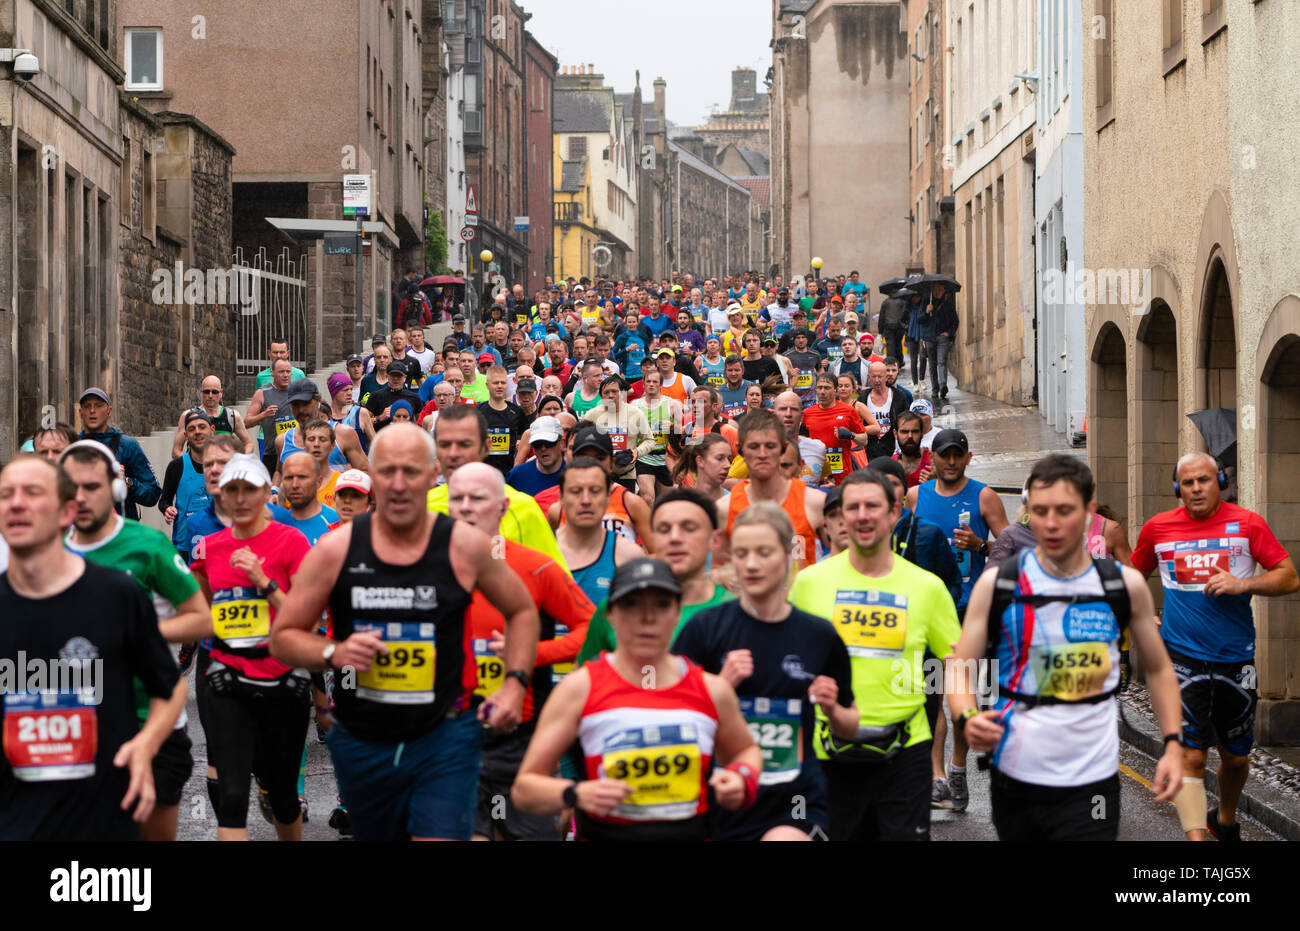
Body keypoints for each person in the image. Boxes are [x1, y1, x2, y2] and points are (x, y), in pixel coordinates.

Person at [269, 425, 541, 841]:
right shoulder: (336, 549)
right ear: (371, 475)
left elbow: (522, 609)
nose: (398, 485)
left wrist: (515, 684)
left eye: (411, 472)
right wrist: (334, 653)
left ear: (433, 474)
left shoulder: (462, 546)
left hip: (445, 735)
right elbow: (285, 635)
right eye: (388, 471)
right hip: (364, 738)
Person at [952, 455, 1186, 840]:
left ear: (1090, 508)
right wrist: (966, 717)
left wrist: (1174, 744)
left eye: (1064, 510)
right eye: (1040, 511)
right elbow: (961, 666)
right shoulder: (1000, 585)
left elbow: (1160, 670)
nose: (1051, 523)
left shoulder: (1121, 585)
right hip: (1016, 774)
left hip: (1092, 779)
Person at [0, 455, 186, 841]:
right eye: (6, 495)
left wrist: (144, 746)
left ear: (67, 511)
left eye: (33, 493)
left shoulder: (117, 594)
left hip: (103, 816)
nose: (16, 503)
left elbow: (169, 689)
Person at [512, 557, 762, 840]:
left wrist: (742, 777)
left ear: (678, 613)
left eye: (661, 605)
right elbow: (524, 790)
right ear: (611, 615)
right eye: (632, 605)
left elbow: (746, 752)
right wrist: (576, 793)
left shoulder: (712, 689)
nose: (647, 618)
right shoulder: (578, 689)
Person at [1131, 452, 1299, 841]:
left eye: (1204, 480)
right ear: (1177, 488)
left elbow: (1289, 578)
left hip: (1234, 659)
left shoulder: (1248, 524)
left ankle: (1224, 819)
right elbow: (1131, 576)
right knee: (1191, 754)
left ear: (1219, 482)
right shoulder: (1157, 528)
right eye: (1187, 482)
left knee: (1236, 757)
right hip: (1181, 658)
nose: (1196, 489)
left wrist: (1244, 584)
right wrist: (1141, 615)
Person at [789, 470, 961, 841]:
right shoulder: (808, 584)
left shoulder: (926, 588)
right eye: (852, 507)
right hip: (829, 750)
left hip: (906, 748)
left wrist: (969, 714)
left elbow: (956, 663)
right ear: (840, 518)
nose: (862, 515)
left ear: (893, 513)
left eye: (873, 506)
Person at [675, 503, 857, 841]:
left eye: (764, 552)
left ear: (788, 554)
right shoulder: (705, 629)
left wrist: (832, 709)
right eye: (741, 554)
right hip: (721, 794)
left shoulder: (818, 635)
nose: (752, 564)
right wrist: (721, 686)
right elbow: (668, 716)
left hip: (794, 800)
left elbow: (850, 725)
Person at [60, 442, 209, 842]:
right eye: (70, 487)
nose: (80, 497)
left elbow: (201, 620)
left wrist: (138, 630)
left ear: (117, 488)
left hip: (152, 719)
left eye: (92, 486)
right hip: (76, 726)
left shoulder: (147, 545)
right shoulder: (49, 551)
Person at [446, 463, 595, 841]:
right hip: (447, 738)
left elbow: (592, 629)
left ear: (500, 508)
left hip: (519, 740)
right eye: (456, 498)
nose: (465, 507)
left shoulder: (534, 566)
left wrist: (532, 654)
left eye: (476, 499)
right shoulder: (425, 566)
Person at [188, 454, 313, 841]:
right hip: (228, 678)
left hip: (283, 679)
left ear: (265, 494)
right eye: (231, 490)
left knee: (283, 798)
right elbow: (201, 611)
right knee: (231, 798)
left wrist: (264, 581)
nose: (240, 499)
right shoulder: (210, 547)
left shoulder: (289, 541)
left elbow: (306, 617)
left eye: (249, 490)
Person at [904, 428, 1009, 811]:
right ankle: (937, 777)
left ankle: (958, 767)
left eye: (957, 455)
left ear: (967, 457)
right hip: (929, 613)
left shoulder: (984, 496)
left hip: (970, 614)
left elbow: (1010, 549)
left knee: (961, 698)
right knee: (932, 696)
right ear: (932, 458)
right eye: (944, 455)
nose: (950, 462)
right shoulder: (916, 497)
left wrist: (981, 545)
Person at [576, 488, 733, 667]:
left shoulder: (735, 613)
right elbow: (582, 685)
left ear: (715, 540)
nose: (675, 538)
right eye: (664, 529)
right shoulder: (615, 607)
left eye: (689, 528)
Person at [428, 405, 569, 569]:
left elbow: (555, 580)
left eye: (464, 444)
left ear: (487, 446)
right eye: (445, 445)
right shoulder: (424, 508)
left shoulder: (523, 510)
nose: (453, 454)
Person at [718, 411, 824, 571]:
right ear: (740, 450)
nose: (762, 454)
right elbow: (719, 569)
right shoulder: (725, 508)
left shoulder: (815, 502)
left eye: (770, 446)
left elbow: (841, 560)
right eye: (754, 447)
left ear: (783, 448)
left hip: (798, 594)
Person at [555, 457, 645, 611]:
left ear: (607, 498)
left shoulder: (630, 557)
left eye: (595, 491)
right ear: (561, 498)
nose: (585, 500)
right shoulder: (542, 550)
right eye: (576, 491)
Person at [76, 388, 160, 521]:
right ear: (80, 412)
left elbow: (153, 494)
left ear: (109, 411)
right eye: (87, 406)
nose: (92, 411)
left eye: (98, 405)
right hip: (82, 529)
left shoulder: (127, 445)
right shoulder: (72, 446)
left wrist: (127, 482)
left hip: (122, 530)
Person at [581, 376, 654, 491]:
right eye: (606, 392)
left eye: (614, 391)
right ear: (601, 396)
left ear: (622, 393)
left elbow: (649, 440)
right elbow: (580, 441)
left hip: (626, 475)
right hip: (598, 475)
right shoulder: (591, 415)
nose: (610, 395)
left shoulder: (636, 413)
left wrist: (637, 452)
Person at [160, 411, 214, 560]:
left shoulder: (224, 464)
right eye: (191, 429)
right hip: (184, 546)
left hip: (216, 542)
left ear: (212, 430)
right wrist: (167, 509)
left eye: (202, 427)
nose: (197, 432)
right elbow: (164, 500)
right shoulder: (177, 466)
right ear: (186, 436)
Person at [802, 374, 870, 486]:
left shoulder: (848, 411)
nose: (822, 392)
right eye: (820, 388)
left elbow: (864, 440)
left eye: (827, 388)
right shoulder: (807, 413)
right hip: (817, 474)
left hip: (843, 474)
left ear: (836, 390)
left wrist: (851, 435)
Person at [632, 368, 684, 502]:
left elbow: (683, 433)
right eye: (648, 381)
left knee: (666, 500)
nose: (651, 384)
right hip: (644, 457)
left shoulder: (673, 404)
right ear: (643, 384)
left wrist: (673, 427)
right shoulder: (635, 405)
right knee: (648, 498)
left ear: (661, 385)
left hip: (666, 458)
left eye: (655, 382)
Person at [171, 375, 254, 458]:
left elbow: (249, 444)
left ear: (221, 393)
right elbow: (176, 451)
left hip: (224, 468)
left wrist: (237, 461)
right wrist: (192, 463)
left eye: (214, 392)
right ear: (201, 392)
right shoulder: (188, 416)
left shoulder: (232, 416)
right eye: (207, 392)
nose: (210, 396)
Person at [245, 359, 299, 474]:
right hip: (272, 453)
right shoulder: (262, 392)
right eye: (281, 372)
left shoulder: (297, 391)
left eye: (288, 372)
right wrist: (263, 415)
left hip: (296, 451)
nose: (285, 375)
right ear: (272, 372)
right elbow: (246, 422)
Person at [279, 452, 338, 544]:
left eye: (302, 477)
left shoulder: (337, 522)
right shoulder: (276, 525)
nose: (295, 485)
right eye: (289, 478)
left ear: (319, 482)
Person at [506, 415, 566, 496]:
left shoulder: (576, 475)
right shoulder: (517, 476)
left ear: (562, 443)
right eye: (537, 444)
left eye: (549, 443)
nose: (543, 448)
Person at [863, 361, 910, 460]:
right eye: (873, 377)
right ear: (868, 377)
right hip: (869, 452)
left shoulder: (899, 396)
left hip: (893, 451)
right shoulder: (863, 397)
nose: (877, 380)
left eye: (880, 377)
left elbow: (907, 422)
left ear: (885, 377)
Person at [670, 432, 733, 500]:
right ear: (700, 461)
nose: (728, 465)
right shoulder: (683, 503)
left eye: (729, 459)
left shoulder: (734, 502)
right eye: (720, 458)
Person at [924, 283, 958, 399]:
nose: (938, 291)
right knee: (932, 365)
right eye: (936, 289)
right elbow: (919, 320)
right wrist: (926, 312)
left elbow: (955, 322)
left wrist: (949, 333)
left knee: (941, 361)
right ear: (932, 291)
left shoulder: (948, 305)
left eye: (940, 289)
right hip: (929, 338)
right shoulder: (927, 303)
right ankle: (935, 389)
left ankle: (943, 385)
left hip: (943, 338)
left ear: (944, 291)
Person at [893, 412, 934, 487]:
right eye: (904, 432)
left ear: (922, 434)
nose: (910, 436)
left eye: (915, 431)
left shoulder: (934, 460)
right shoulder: (890, 465)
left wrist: (937, 482)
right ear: (895, 434)